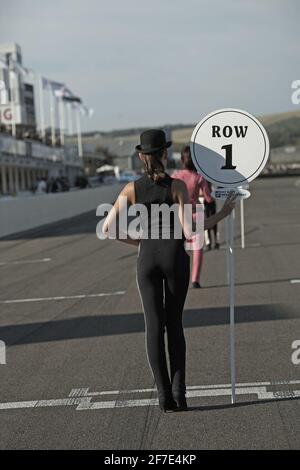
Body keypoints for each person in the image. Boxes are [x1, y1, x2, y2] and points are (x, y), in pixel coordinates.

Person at [102, 129, 236, 412]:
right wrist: (222, 214)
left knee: (153, 327)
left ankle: (163, 397)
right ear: (165, 153)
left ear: (141, 156)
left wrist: (140, 241)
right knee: (174, 324)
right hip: (174, 256)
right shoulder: (176, 186)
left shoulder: (131, 188)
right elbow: (189, 231)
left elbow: (108, 228)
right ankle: (180, 394)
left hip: (147, 259)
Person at [172, 145, 214, 288]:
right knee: (197, 249)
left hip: (179, 216)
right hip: (196, 215)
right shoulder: (199, 177)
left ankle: (178, 276)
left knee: (178, 249)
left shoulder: (175, 176)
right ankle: (195, 279)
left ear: (182, 160)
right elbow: (208, 198)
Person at [204, 181, 219, 250]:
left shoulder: (211, 179)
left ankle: (216, 241)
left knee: (214, 222)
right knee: (206, 222)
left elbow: (215, 189)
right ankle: (208, 242)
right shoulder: (202, 178)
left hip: (211, 201)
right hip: (204, 201)